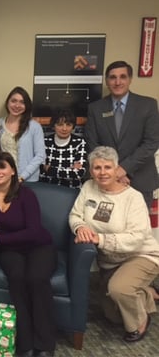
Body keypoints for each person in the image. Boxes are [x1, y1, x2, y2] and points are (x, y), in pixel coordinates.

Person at [69, 146, 159, 342]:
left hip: (140, 255)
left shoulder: (132, 198)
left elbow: (137, 238)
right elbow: (75, 214)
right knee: (112, 314)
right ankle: (145, 294)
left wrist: (99, 239)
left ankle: (140, 322)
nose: (102, 173)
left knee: (119, 290)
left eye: (108, 167)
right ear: (91, 170)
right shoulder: (88, 187)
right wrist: (80, 227)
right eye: (97, 168)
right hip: (111, 262)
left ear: (117, 168)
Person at [0, 152, 57, 357]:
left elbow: (33, 231)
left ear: (13, 170)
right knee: (17, 278)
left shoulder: (26, 194)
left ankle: (45, 344)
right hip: (10, 251)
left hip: (38, 246)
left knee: (37, 279)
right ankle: (25, 342)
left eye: (2, 167)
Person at [84, 60, 159, 207]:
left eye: (123, 77)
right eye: (112, 77)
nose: (117, 82)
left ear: (130, 79)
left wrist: (123, 169)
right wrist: (111, 173)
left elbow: (151, 142)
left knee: (137, 228)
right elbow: (92, 143)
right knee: (104, 226)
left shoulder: (148, 105)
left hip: (140, 180)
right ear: (107, 81)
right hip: (105, 180)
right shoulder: (95, 108)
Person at [0, 87, 45, 182]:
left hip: (28, 180)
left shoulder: (34, 127)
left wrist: (22, 177)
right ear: (7, 102)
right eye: (14, 101)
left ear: (26, 106)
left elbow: (40, 155)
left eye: (22, 102)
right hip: (4, 179)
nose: (17, 105)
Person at [40, 109, 87, 188]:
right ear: (53, 125)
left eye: (68, 125)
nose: (64, 129)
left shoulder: (79, 142)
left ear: (73, 127)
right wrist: (69, 169)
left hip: (72, 189)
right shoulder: (45, 142)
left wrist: (49, 169)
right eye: (60, 124)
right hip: (47, 187)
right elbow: (40, 169)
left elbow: (78, 173)